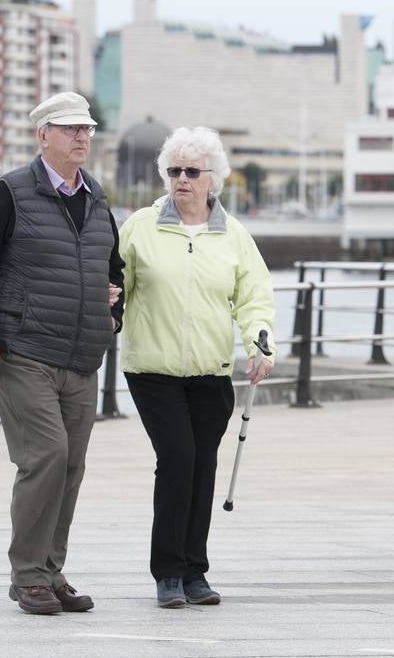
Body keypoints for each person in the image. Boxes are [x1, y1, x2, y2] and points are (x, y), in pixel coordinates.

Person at [0, 91, 125, 616]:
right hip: (24, 350)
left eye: (87, 129)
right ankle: (27, 575)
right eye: (70, 129)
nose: (81, 137)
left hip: (81, 356)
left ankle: (51, 571)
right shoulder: (12, 192)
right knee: (46, 455)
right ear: (42, 135)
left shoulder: (96, 198)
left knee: (71, 465)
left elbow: (113, 269)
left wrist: (113, 313)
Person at [117, 125, 276, 608]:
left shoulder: (234, 237)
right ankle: (168, 572)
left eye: (191, 171)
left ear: (213, 179)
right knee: (178, 460)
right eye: (174, 171)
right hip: (152, 369)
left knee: (202, 467)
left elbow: (253, 297)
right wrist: (109, 303)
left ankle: (194, 572)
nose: (181, 179)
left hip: (210, 372)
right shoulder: (141, 226)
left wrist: (259, 342)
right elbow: (114, 284)